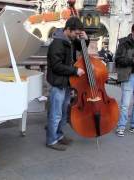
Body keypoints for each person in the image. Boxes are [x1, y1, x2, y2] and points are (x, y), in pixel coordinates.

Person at [46, 17, 87, 151]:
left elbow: (82, 48)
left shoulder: (69, 41)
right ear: (68, 30)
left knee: (63, 113)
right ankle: (51, 140)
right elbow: (57, 66)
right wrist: (75, 70)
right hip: (58, 84)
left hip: (67, 84)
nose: (77, 36)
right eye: (76, 33)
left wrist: (85, 38)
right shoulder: (57, 44)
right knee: (56, 114)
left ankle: (59, 135)